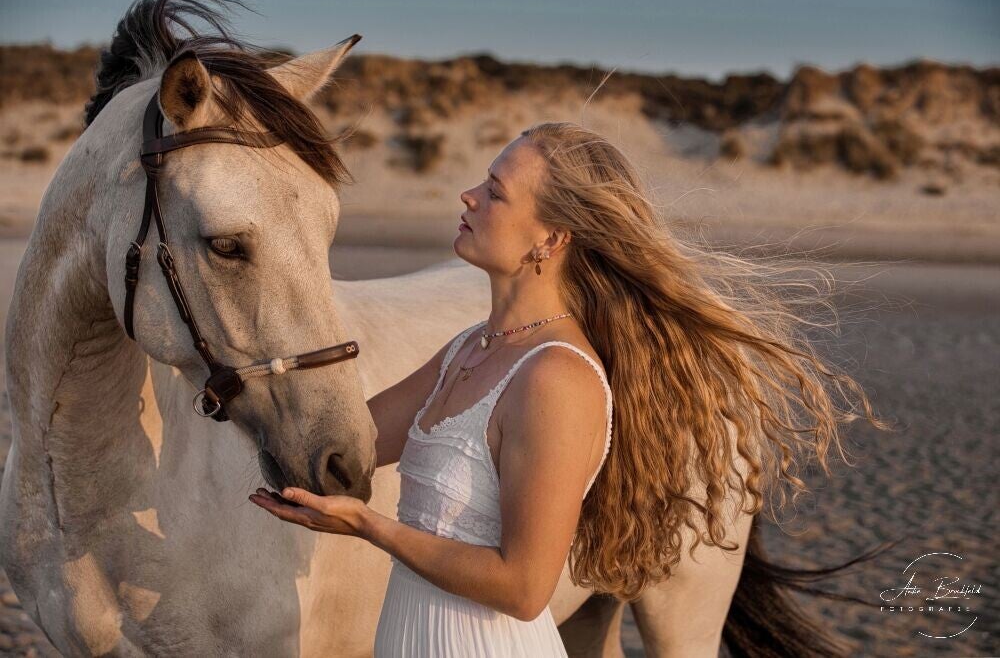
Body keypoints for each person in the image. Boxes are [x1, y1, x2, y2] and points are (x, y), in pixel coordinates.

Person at [250, 122, 887, 656]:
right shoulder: (467, 350)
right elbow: (348, 439)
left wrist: (369, 525)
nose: (468, 196)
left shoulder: (556, 377)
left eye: (495, 192)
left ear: (550, 239)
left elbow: (524, 587)